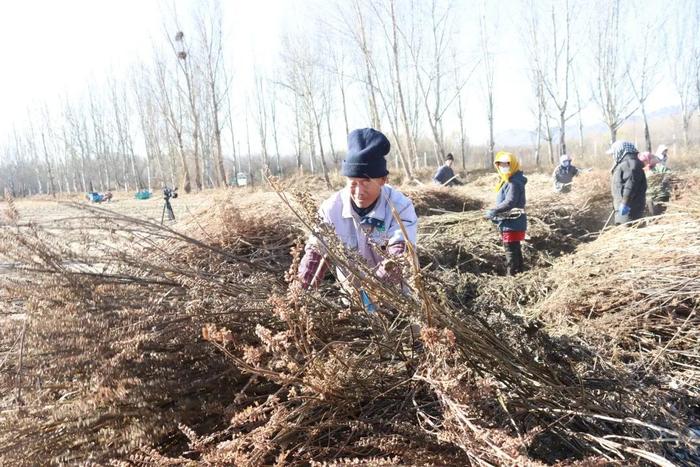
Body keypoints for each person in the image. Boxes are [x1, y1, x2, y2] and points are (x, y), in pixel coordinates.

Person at [298, 128, 418, 301]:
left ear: (383, 180)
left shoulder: (400, 208)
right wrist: (300, 296)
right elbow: (315, 255)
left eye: (366, 182)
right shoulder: (331, 210)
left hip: (396, 301)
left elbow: (397, 258)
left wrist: (370, 297)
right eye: (353, 183)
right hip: (352, 302)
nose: (359, 191)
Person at [484, 151, 527, 276]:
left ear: (512, 164)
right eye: (500, 165)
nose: (503, 167)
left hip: (512, 222)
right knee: (515, 248)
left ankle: (512, 275)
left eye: (506, 164)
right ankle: (519, 272)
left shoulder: (513, 182)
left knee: (510, 250)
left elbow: (510, 202)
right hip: (511, 222)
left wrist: (495, 210)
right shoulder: (509, 179)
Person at [608, 141, 647, 224]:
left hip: (629, 210)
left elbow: (630, 184)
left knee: (628, 232)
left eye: (613, 153)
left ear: (620, 151)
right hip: (625, 208)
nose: (613, 156)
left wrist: (625, 203)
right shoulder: (625, 164)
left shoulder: (630, 164)